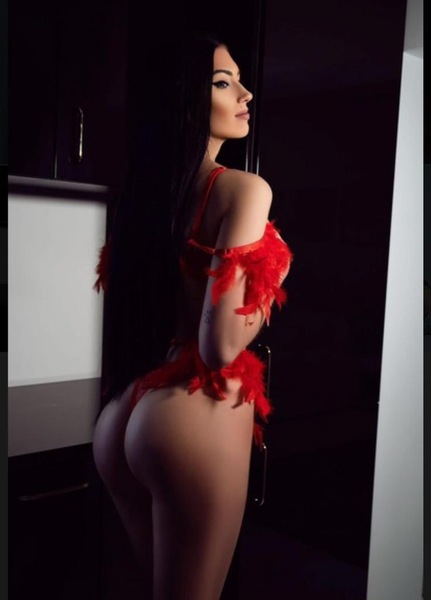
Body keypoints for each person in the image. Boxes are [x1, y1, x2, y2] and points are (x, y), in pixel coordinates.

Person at [92, 33, 293, 600]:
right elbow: (221, 345)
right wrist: (276, 275)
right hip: (194, 411)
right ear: (184, 99)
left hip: (125, 412)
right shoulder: (244, 189)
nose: (245, 94)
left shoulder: (149, 196)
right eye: (224, 83)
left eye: (240, 81)